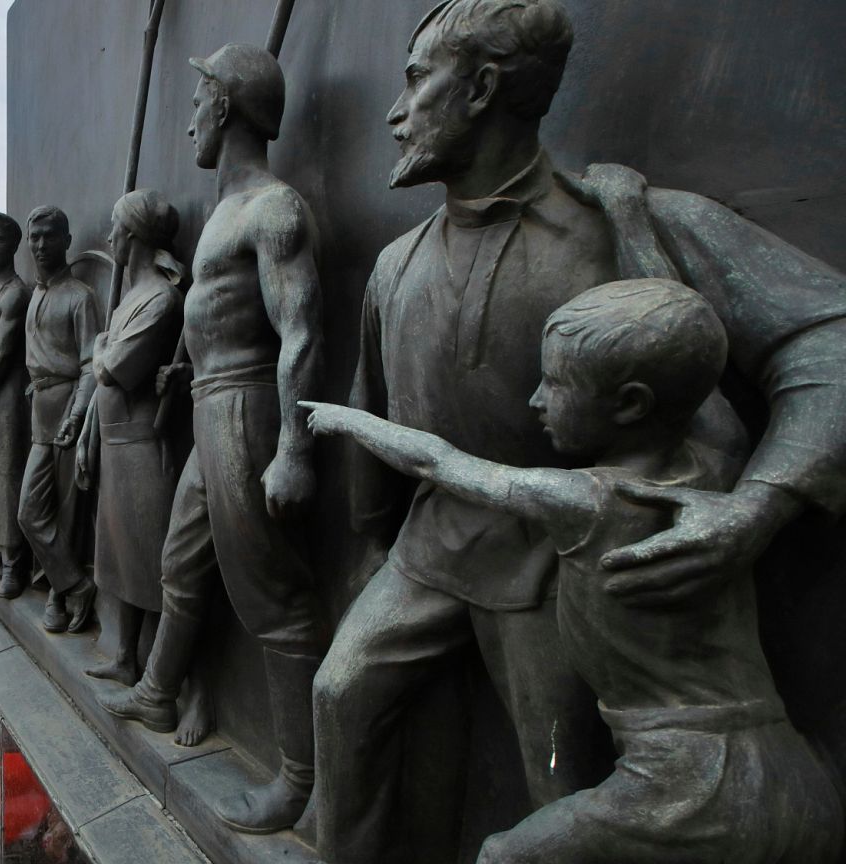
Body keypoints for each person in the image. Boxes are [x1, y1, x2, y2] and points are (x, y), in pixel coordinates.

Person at [314, 1, 846, 860]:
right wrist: (370, 542)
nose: (394, 108)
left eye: (418, 78)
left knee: (554, 777)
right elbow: (372, 413)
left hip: (564, 558)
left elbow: (830, 338)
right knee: (341, 692)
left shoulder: (627, 219)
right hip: (433, 541)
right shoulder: (395, 263)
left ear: (484, 86)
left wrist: (761, 504)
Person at [304, 280, 845, 862]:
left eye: (556, 384)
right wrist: (629, 216)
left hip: (685, 784)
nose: (536, 399)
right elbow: (695, 361)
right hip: (797, 773)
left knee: (504, 856)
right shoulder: (722, 460)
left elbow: (434, 460)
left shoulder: (584, 502)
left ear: (631, 404)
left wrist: (345, 419)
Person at [101, 42, 327, 831]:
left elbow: (299, 332)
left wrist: (293, 447)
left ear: (225, 107)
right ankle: (159, 689)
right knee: (180, 565)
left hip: (243, 414)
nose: (191, 117)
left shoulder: (273, 209)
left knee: (274, 597)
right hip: (205, 403)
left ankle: (299, 778)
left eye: (200, 101)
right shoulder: (226, 212)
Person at [78, 188, 186, 688]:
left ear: (135, 236)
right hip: (114, 444)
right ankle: (125, 655)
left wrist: (101, 346)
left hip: (143, 449)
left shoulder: (161, 300)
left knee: (149, 561)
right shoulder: (127, 301)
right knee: (120, 559)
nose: (109, 236)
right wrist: (88, 438)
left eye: (116, 228)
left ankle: (176, 676)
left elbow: (113, 369)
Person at [14, 206, 100, 632]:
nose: (41, 246)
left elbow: (91, 365)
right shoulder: (37, 294)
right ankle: (74, 585)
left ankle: (58, 593)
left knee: (65, 514)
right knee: (30, 512)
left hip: (67, 407)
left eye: (50, 237)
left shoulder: (80, 297)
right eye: (35, 238)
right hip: (40, 410)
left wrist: (78, 411)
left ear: (67, 241)